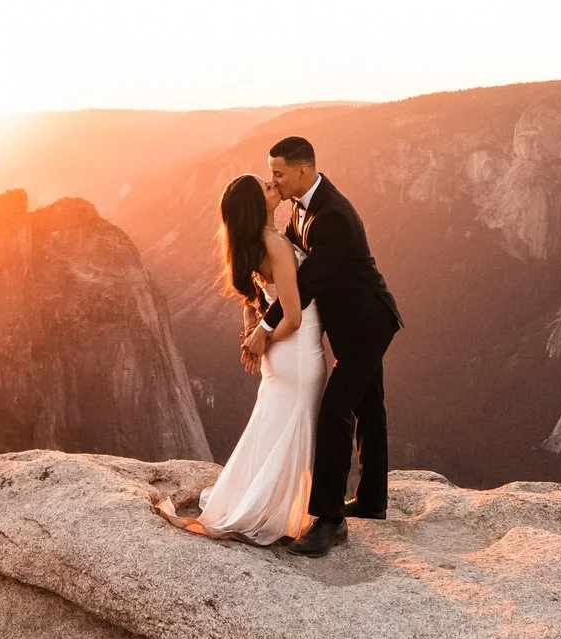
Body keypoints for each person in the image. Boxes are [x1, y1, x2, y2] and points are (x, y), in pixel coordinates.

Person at [259, 136, 401, 556]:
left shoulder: (333, 215)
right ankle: (374, 500)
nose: (274, 180)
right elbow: (282, 259)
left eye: (279, 173)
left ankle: (329, 520)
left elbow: (305, 284)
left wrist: (265, 328)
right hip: (357, 324)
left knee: (336, 411)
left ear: (303, 171)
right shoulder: (301, 210)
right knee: (369, 406)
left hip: (367, 325)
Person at [169, 172, 328, 545]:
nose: (275, 188)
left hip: (280, 356)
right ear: (257, 206)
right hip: (298, 352)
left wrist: (255, 334)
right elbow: (293, 316)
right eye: (268, 189)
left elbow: (253, 302)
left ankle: (255, 501)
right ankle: (273, 512)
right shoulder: (276, 244)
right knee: (290, 430)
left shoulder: (250, 245)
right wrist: (265, 340)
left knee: (270, 429)